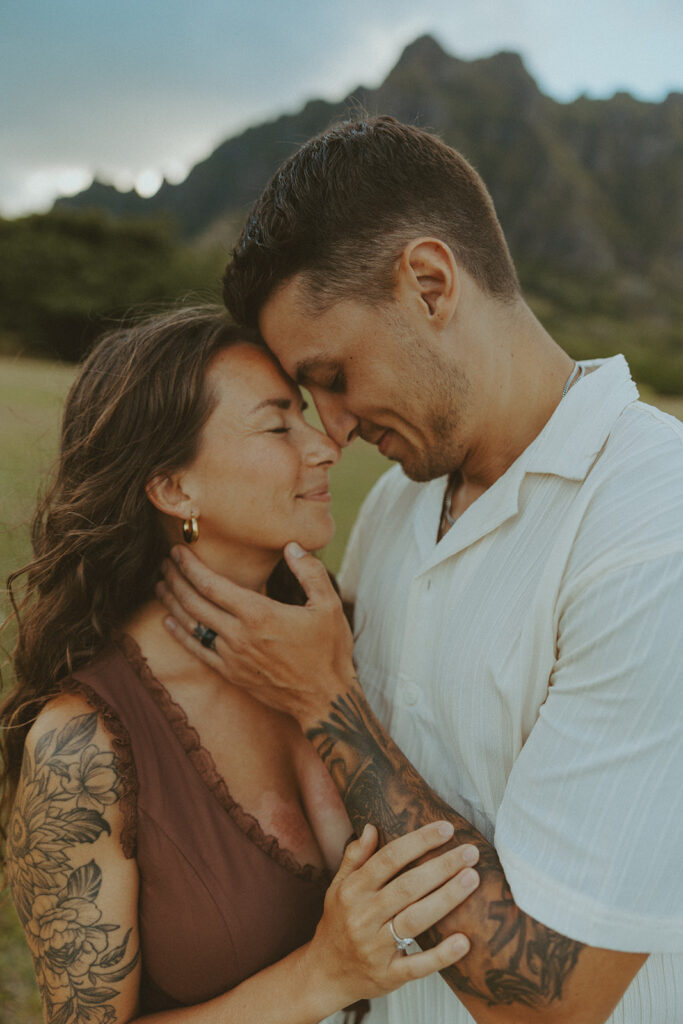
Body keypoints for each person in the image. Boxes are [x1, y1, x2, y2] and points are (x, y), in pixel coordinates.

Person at [157, 117, 683, 1024]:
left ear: (430, 284)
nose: (333, 427)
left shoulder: (651, 531)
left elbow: (554, 1001)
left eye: (332, 374)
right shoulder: (403, 500)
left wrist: (328, 703)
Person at [0, 306, 483, 1024]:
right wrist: (321, 975)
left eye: (306, 418)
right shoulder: (82, 747)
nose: (324, 446)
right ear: (173, 488)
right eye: (276, 424)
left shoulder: (342, 641)